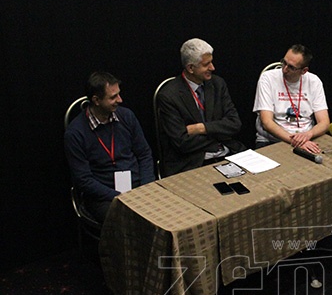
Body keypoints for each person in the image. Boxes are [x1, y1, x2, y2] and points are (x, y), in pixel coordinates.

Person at [64, 72, 155, 222]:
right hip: (104, 196)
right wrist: (118, 196)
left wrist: (146, 187)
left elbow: (144, 154)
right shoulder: (75, 133)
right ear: (96, 100)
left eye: (118, 94)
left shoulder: (127, 117)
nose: (120, 100)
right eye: (113, 97)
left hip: (138, 188)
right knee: (130, 221)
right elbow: (84, 180)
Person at [156, 38, 245, 177]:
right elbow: (181, 142)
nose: (213, 68)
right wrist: (219, 135)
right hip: (192, 163)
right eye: (206, 64)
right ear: (191, 68)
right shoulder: (169, 96)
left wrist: (200, 128)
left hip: (228, 154)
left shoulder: (218, 84)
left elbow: (235, 124)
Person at [253, 44, 329, 153]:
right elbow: (266, 122)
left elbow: (324, 122)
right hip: (273, 140)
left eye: (291, 67)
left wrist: (308, 135)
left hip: (307, 138)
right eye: (284, 62)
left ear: (304, 71)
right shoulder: (268, 78)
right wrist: (296, 142)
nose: (284, 69)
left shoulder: (314, 81)